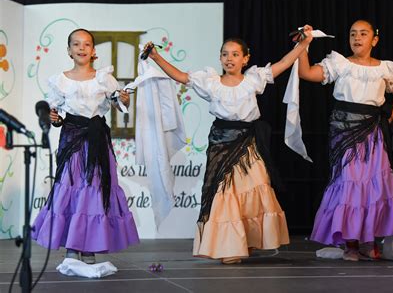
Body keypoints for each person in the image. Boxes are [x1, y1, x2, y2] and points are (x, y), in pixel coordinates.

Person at [143, 29, 313, 264]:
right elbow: (181, 76)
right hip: (222, 142)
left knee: (256, 187)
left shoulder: (254, 79)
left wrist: (304, 44)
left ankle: (249, 240)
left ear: (246, 59)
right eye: (225, 54)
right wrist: (155, 56)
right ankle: (229, 246)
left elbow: (284, 63)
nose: (229, 59)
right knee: (225, 193)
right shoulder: (211, 82)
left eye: (235, 54)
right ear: (220, 58)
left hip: (248, 144)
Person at [298, 21, 393, 261]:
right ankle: (350, 243)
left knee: (374, 186)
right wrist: (304, 45)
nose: (357, 37)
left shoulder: (385, 68)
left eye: (363, 34)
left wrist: (390, 116)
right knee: (350, 184)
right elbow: (306, 73)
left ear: (374, 40)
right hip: (345, 133)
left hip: (372, 133)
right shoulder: (341, 64)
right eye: (353, 33)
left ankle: (368, 241)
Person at [32, 28, 140, 264]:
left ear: (93, 51)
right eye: (76, 44)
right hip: (72, 139)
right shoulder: (60, 80)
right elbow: (55, 111)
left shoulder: (104, 78)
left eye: (87, 44)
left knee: (94, 188)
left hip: (97, 139)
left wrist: (123, 99)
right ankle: (72, 244)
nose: (82, 48)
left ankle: (89, 245)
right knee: (72, 186)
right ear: (69, 50)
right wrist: (54, 118)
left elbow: (119, 102)